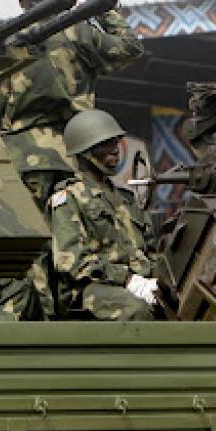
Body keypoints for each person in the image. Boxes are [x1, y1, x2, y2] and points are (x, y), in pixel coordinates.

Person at [0, 0, 144, 207]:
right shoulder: (78, 32)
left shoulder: (6, 44)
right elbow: (130, 47)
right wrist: (105, 10)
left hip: (27, 159)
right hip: (80, 154)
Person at [49, 109, 157, 321]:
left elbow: (151, 250)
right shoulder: (68, 199)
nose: (115, 150)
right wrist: (127, 279)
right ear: (86, 151)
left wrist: (158, 280)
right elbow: (72, 262)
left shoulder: (126, 198)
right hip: (89, 288)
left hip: (138, 283)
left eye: (116, 143)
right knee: (136, 310)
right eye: (106, 144)